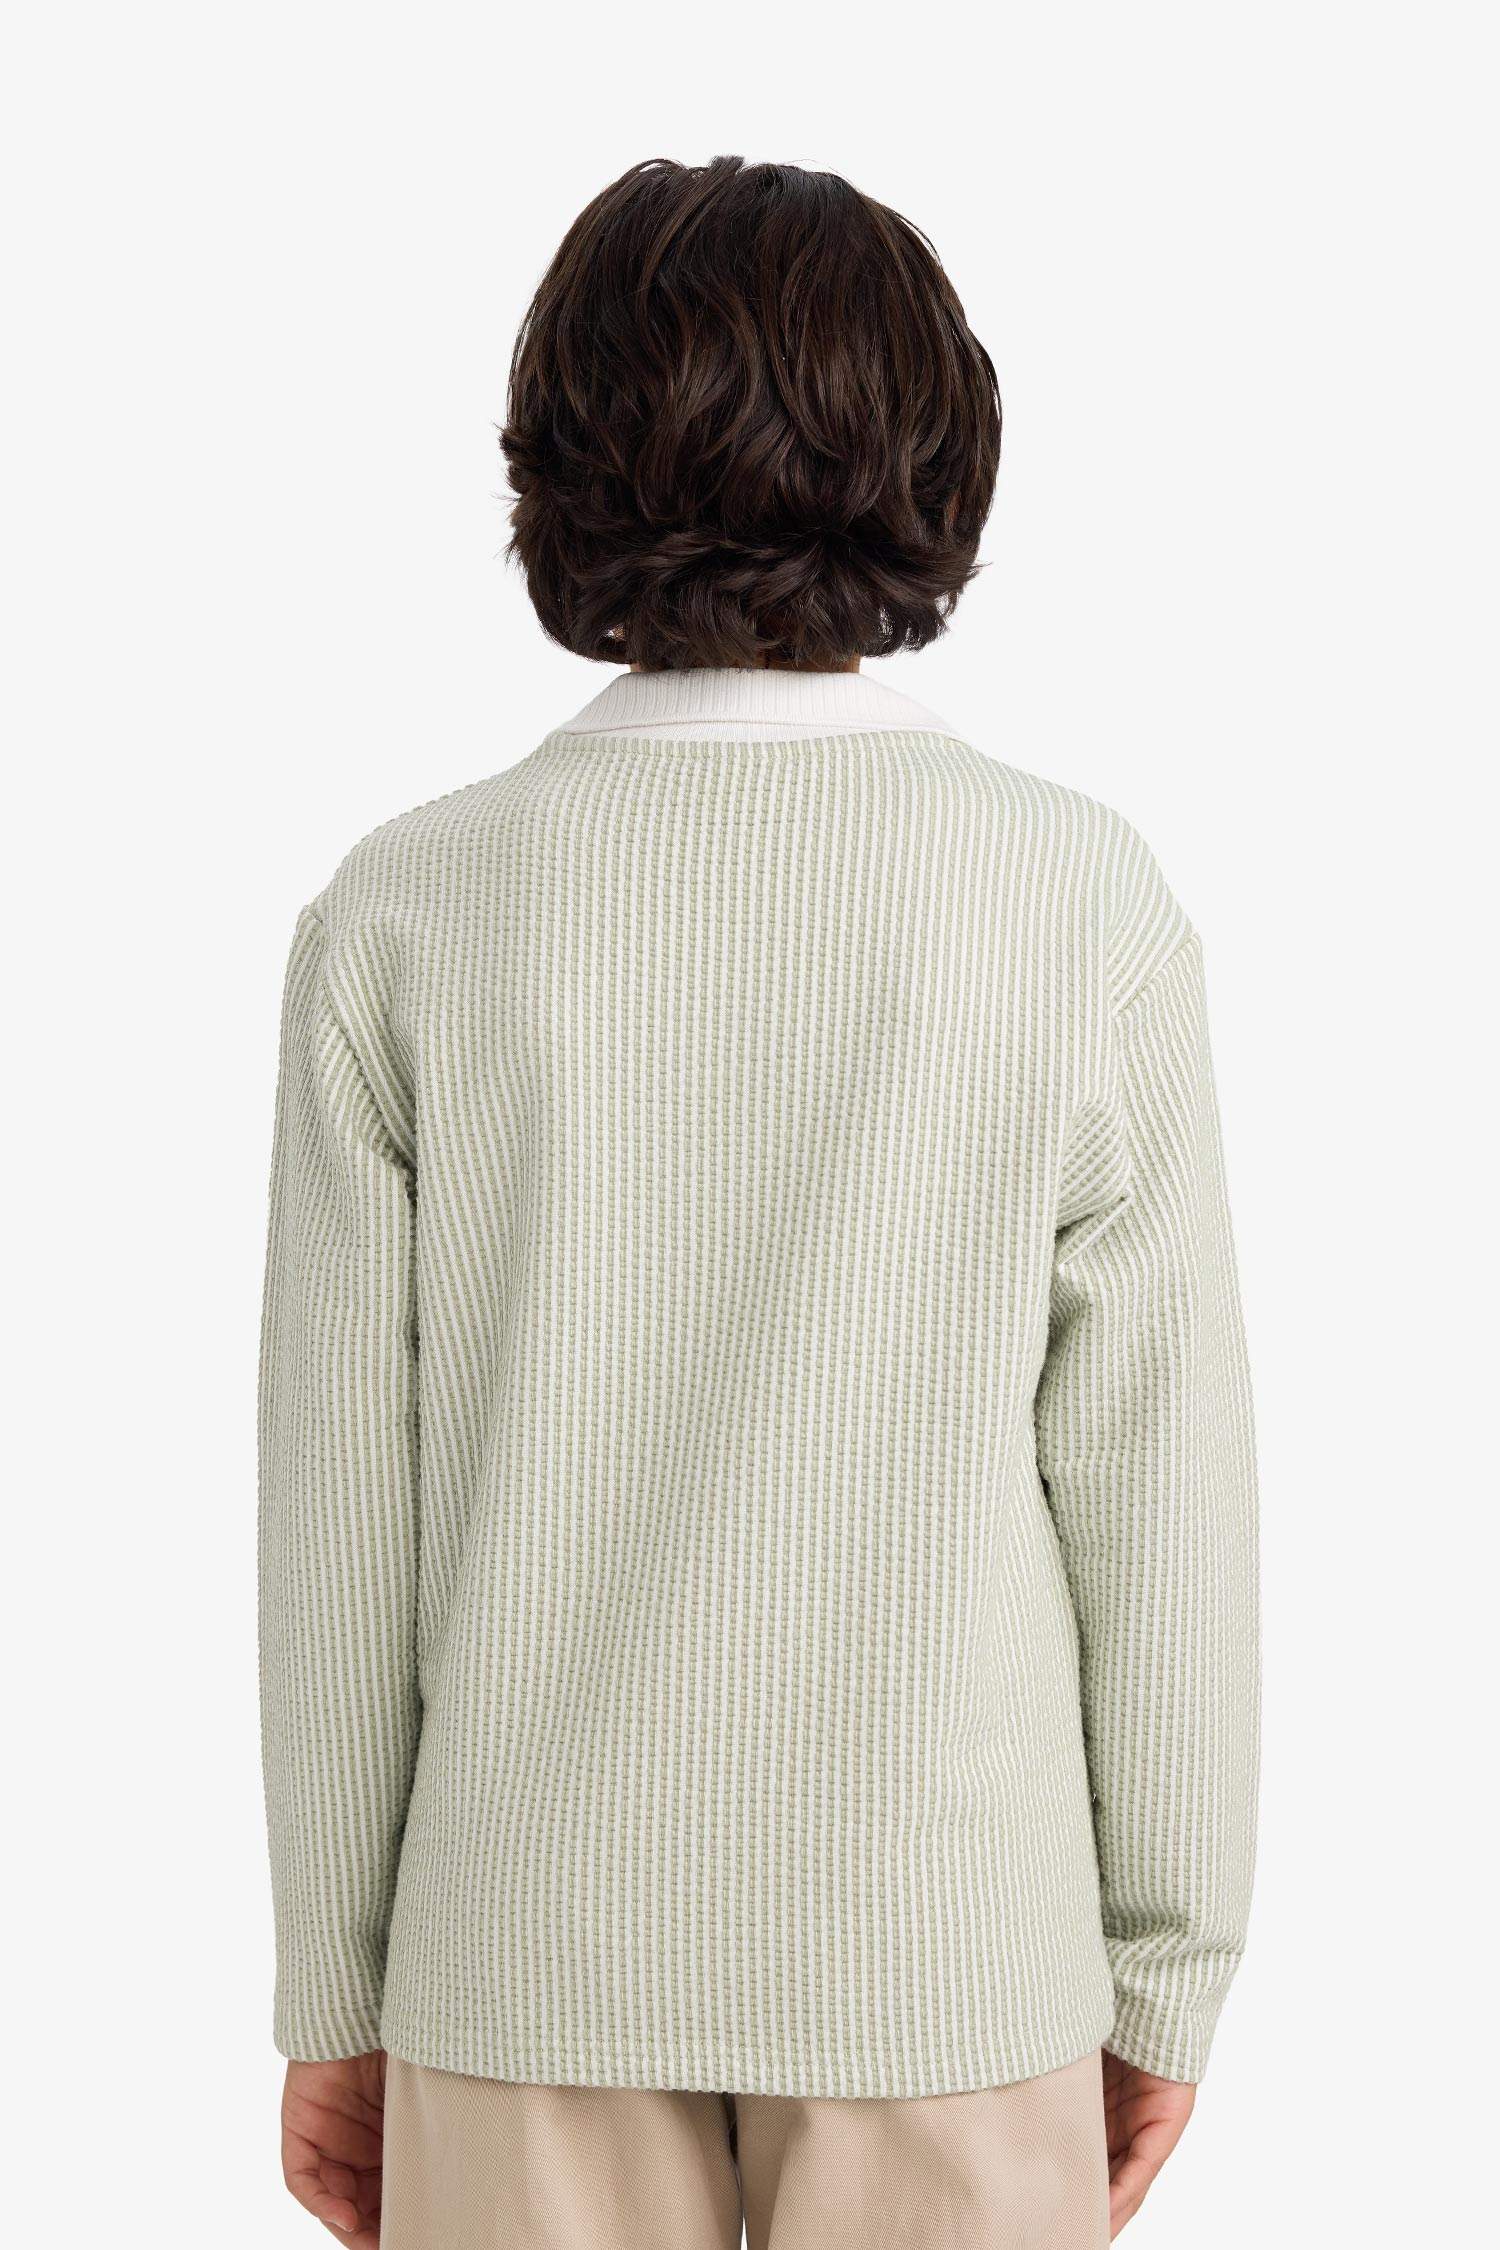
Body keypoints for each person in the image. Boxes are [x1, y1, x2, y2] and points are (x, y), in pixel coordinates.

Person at [260, 156, 1259, 2249]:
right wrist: (1169, 1967)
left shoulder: (409, 913)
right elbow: (1157, 1487)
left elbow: (343, 1515)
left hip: (519, 1955)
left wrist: (339, 1989)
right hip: (951, 1958)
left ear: (557, 460)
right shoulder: (1073, 899)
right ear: (935, 459)